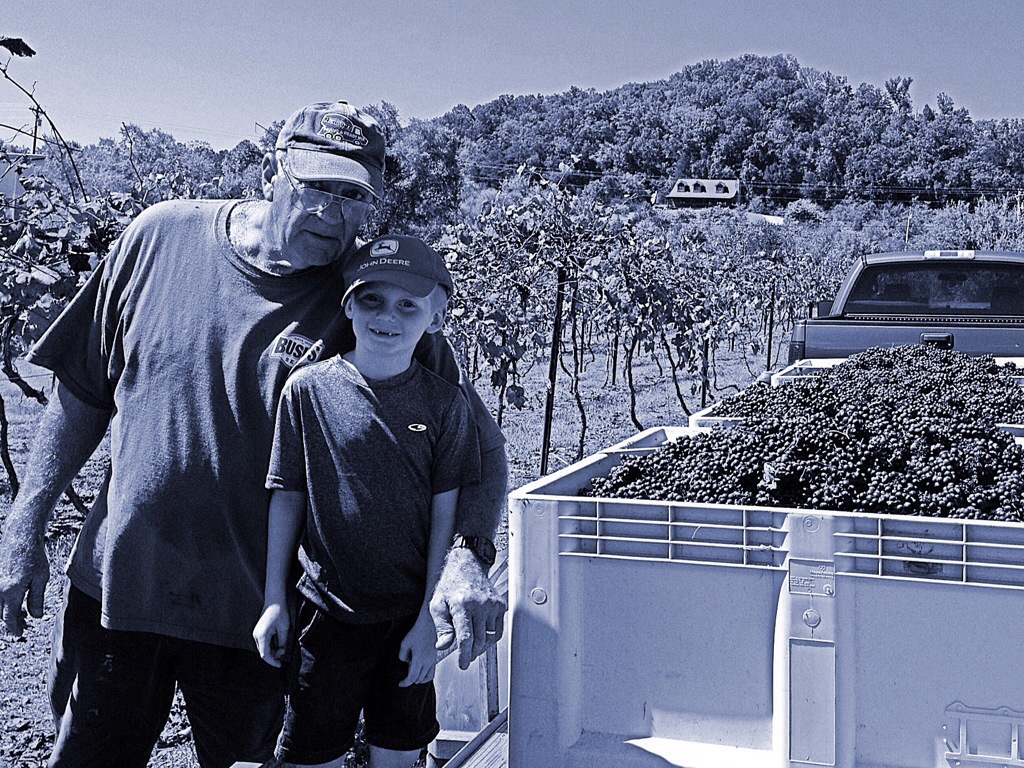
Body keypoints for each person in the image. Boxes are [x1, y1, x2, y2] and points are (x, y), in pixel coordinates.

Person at [0, 101, 506, 768]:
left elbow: (475, 445)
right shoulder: (157, 239)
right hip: (121, 590)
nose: (331, 211)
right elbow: (82, 395)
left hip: (261, 616)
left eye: (353, 195)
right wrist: (23, 527)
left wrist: (467, 554)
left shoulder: (371, 300)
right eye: (315, 184)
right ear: (273, 169)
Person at [254, 235, 478, 767]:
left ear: (436, 318)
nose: (387, 317)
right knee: (312, 752)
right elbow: (288, 496)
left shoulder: (444, 404)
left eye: (408, 305)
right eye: (372, 299)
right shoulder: (306, 390)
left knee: (397, 752)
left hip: (407, 619)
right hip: (325, 615)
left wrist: (428, 619)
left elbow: (444, 516)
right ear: (349, 306)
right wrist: (274, 599)